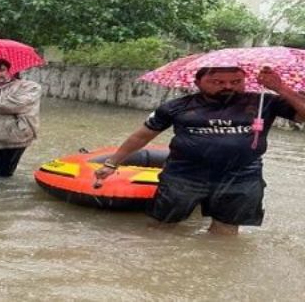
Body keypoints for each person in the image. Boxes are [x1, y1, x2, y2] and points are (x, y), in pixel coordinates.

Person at [94, 66, 305, 235]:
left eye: (235, 82)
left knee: (226, 234)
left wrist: (281, 88)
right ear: (197, 82)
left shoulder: (264, 103)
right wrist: (112, 163)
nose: (227, 86)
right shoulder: (176, 106)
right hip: (184, 176)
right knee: (160, 230)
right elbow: (142, 136)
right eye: (217, 82)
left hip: (242, 178)